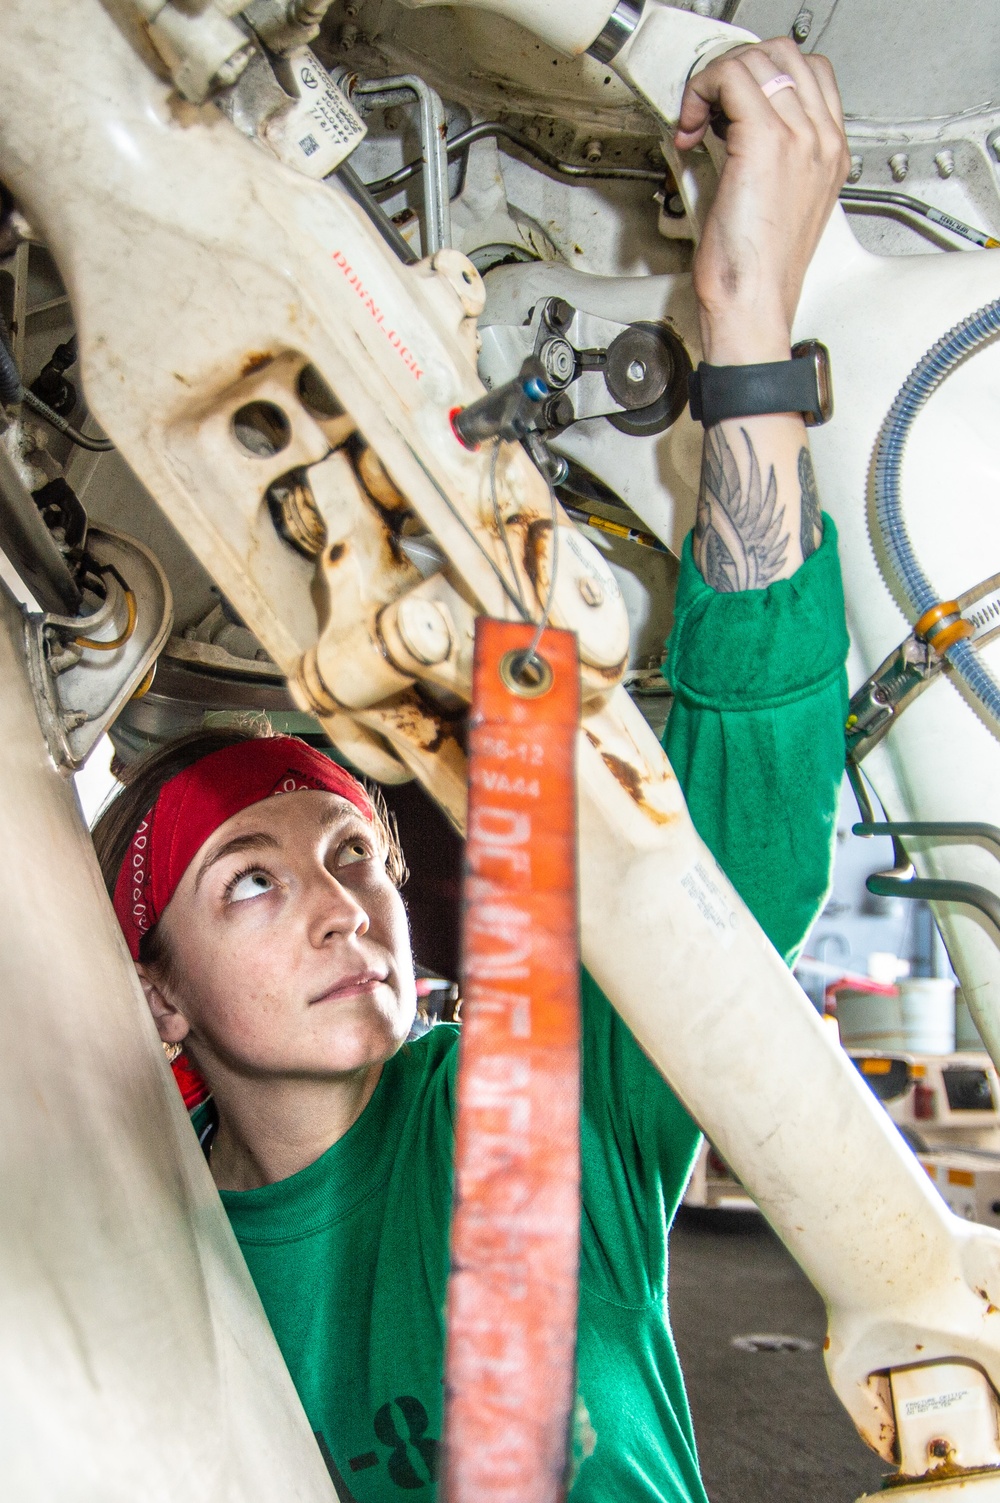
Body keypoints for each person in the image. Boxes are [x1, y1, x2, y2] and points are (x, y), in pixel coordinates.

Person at [93, 36, 851, 1503]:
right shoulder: (126, 1263)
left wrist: (746, 320)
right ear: (157, 991)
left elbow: (736, 848)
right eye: (250, 880)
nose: (349, 909)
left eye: (360, 856)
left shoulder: (532, 1105)